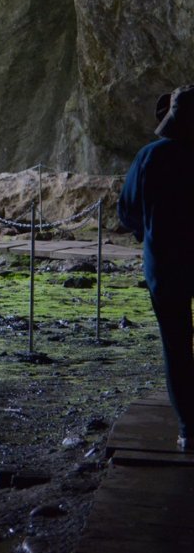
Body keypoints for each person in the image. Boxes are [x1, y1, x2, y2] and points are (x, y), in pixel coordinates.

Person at [120, 85, 194, 450]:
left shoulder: (151, 157)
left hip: (166, 267)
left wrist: (144, 232)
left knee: (177, 346)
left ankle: (188, 428)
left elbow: (128, 210)